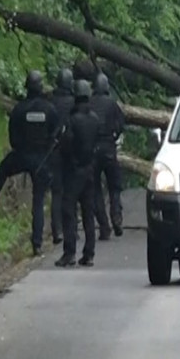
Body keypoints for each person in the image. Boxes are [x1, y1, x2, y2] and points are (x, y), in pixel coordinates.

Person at [0, 70, 60, 256]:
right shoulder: (50, 109)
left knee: (3, 169)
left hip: (22, 155)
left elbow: (13, 138)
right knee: (38, 200)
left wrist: (22, 150)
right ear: (41, 87)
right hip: (42, 160)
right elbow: (55, 135)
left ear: (27, 88)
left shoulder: (19, 109)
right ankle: (37, 244)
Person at [55, 80, 99, 268]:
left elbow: (66, 144)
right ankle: (89, 254)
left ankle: (69, 253)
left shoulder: (71, 120)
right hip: (90, 171)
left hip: (74, 172)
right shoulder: (95, 119)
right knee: (88, 213)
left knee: (69, 211)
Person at [90, 73, 126, 239]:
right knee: (115, 187)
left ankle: (104, 227)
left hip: (92, 151)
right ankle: (116, 215)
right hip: (109, 149)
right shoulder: (112, 104)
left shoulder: (88, 103)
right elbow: (121, 125)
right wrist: (113, 136)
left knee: (95, 189)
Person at [48, 68, 76, 245]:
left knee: (56, 192)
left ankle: (56, 230)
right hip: (71, 153)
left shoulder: (50, 102)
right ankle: (69, 229)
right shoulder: (74, 103)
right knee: (70, 192)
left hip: (53, 152)